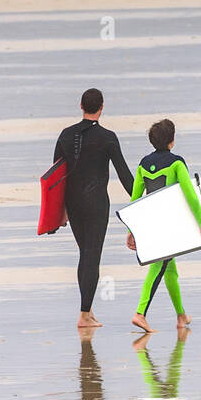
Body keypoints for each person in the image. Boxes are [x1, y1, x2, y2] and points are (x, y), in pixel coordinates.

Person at [53, 88, 134, 329]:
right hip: (97, 203)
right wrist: (140, 200)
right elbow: (125, 175)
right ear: (101, 107)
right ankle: (84, 314)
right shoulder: (108, 137)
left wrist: (59, 211)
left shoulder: (65, 135)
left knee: (85, 255)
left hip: (73, 203)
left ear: (80, 105)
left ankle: (86, 311)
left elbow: (55, 177)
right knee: (92, 256)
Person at [125, 119, 201, 332]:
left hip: (150, 224)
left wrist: (131, 229)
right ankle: (140, 313)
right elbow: (190, 195)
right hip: (169, 226)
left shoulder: (143, 164)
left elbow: (135, 198)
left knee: (169, 269)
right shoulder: (177, 163)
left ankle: (181, 316)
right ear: (172, 141)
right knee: (158, 266)